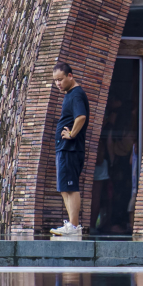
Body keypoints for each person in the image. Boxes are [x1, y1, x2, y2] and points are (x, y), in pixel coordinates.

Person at [52, 61, 90, 239]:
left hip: (70, 149)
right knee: (64, 188)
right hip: (64, 148)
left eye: (60, 79)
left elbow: (81, 116)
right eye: (55, 81)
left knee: (71, 186)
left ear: (70, 76)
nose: (58, 83)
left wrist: (72, 134)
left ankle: (74, 226)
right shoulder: (69, 94)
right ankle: (71, 224)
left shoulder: (76, 94)